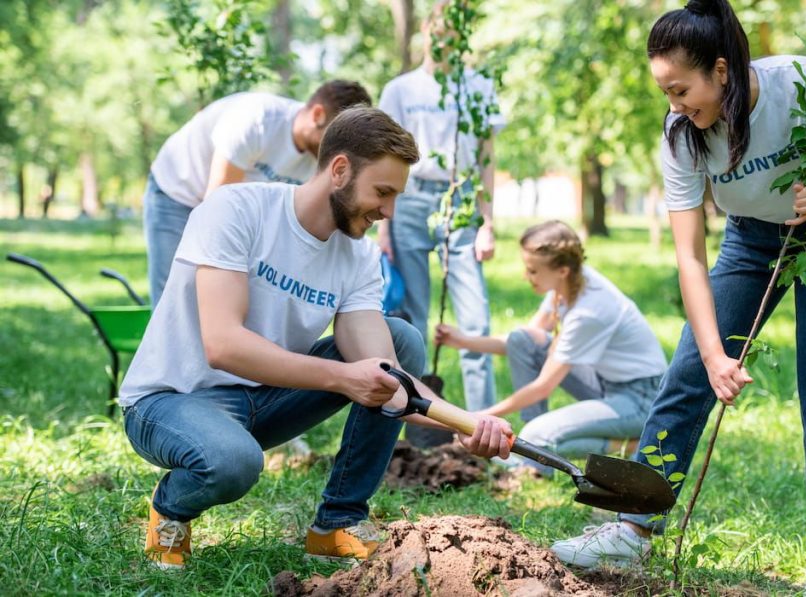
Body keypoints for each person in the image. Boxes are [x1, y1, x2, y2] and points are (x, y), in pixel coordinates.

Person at [550, 2, 806, 595]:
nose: (674, 106)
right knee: (684, 378)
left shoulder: (804, 86)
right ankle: (631, 527)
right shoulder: (682, 136)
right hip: (750, 237)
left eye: (680, 90)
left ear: (721, 71)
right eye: (665, 93)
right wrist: (713, 355)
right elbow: (691, 257)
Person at [119, 107, 512, 570]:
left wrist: (465, 424)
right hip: (171, 401)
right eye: (382, 192)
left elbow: (388, 376)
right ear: (340, 170)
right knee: (232, 462)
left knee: (400, 337)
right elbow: (222, 344)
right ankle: (170, 511)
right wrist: (343, 378)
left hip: (264, 401)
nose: (388, 212)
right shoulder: (237, 209)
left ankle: (337, 523)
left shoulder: (359, 257)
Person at [435, 221, 666, 471]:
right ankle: (530, 449)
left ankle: (626, 445)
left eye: (533, 271)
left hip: (641, 400)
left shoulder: (590, 311)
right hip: (605, 384)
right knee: (521, 340)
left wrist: (481, 417)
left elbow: (542, 387)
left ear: (562, 270)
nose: (527, 276)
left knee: (539, 436)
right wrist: (462, 341)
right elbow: (523, 340)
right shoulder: (567, 284)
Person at [377, 1, 505, 411]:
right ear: (426, 31)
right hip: (410, 199)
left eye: (453, 29)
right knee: (411, 315)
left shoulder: (479, 85)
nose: (443, 37)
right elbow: (384, 155)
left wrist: (488, 221)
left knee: (474, 318)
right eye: (437, 27)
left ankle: (481, 421)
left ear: (463, 34)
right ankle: (409, 411)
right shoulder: (401, 90)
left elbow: (487, 157)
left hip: (461, 198)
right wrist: (384, 225)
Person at [144, 80, 371, 305]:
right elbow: (216, 206)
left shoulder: (323, 158)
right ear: (318, 114)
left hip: (227, 206)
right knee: (176, 294)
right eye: (336, 138)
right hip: (177, 191)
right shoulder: (257, 119)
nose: (338, 151)